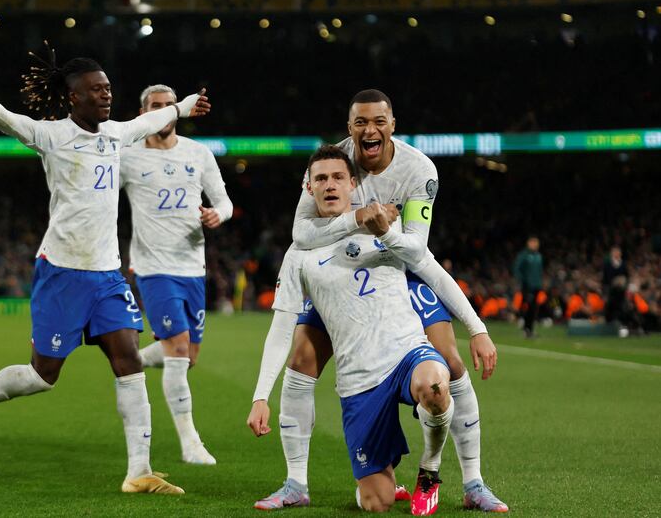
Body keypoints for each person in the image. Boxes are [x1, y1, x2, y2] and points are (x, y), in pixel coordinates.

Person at [0, 48, 209, 495]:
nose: (106, 96)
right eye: (97, 90)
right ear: (73, 97)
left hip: (107, 276)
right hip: (62, 272)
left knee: (129, 361)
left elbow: (150, 122)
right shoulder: (50, 136)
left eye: (108, 89)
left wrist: (184, 107)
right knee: (43, 375)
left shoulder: (116, 135)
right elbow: (8, 120)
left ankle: (139, 471)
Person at [249, 90, 507, 513]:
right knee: (301, 358)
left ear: (392, 124)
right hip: (330, 265)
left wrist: (476, 327)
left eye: (378, 122)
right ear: (350, 128)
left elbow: (417, 250)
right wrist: (355, 220)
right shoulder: (333, 163)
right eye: (360, 123)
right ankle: (296, 482)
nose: (369, 130)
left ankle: (472, 481)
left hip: (395, 261)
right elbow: (301, 231)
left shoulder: (418, 170)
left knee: (448, 362)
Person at [252, 146, 454, 514]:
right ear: (309, 188)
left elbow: (430, 267)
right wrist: (260, 396)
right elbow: (281, 328)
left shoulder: (385, 228)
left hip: (406, 355)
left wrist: (479, 327)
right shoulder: (299, 254)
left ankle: (433, 471)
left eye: (338, 177)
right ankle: (370, 479)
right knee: (376, 503)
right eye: (321, 179)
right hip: (359, 380)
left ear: (354, 184)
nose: (330, 185)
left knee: (438, 383)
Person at [119, 84, 233, 465]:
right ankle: (190, 443)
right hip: (152, 269)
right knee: (179, 348)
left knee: (187, 356)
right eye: (156, 106)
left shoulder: (198, 154)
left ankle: (130, 357)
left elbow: (223, 200)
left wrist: (219, 214)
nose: (165, 111)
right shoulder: (128, 156)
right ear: (142, 112)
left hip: (192, 268)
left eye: (170, 105)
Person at [513, 236, 544, 338]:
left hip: (537, 286)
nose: (534, 245)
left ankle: (530, 329)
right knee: (527, 306)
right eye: (532, 242)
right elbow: (517, 268)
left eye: (536, 243)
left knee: (534, 308)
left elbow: (539, 271)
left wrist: (540, 282)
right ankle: (525, 328)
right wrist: (523, 280)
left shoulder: (538, 256)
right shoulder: (524, 255)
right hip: (527, 286)